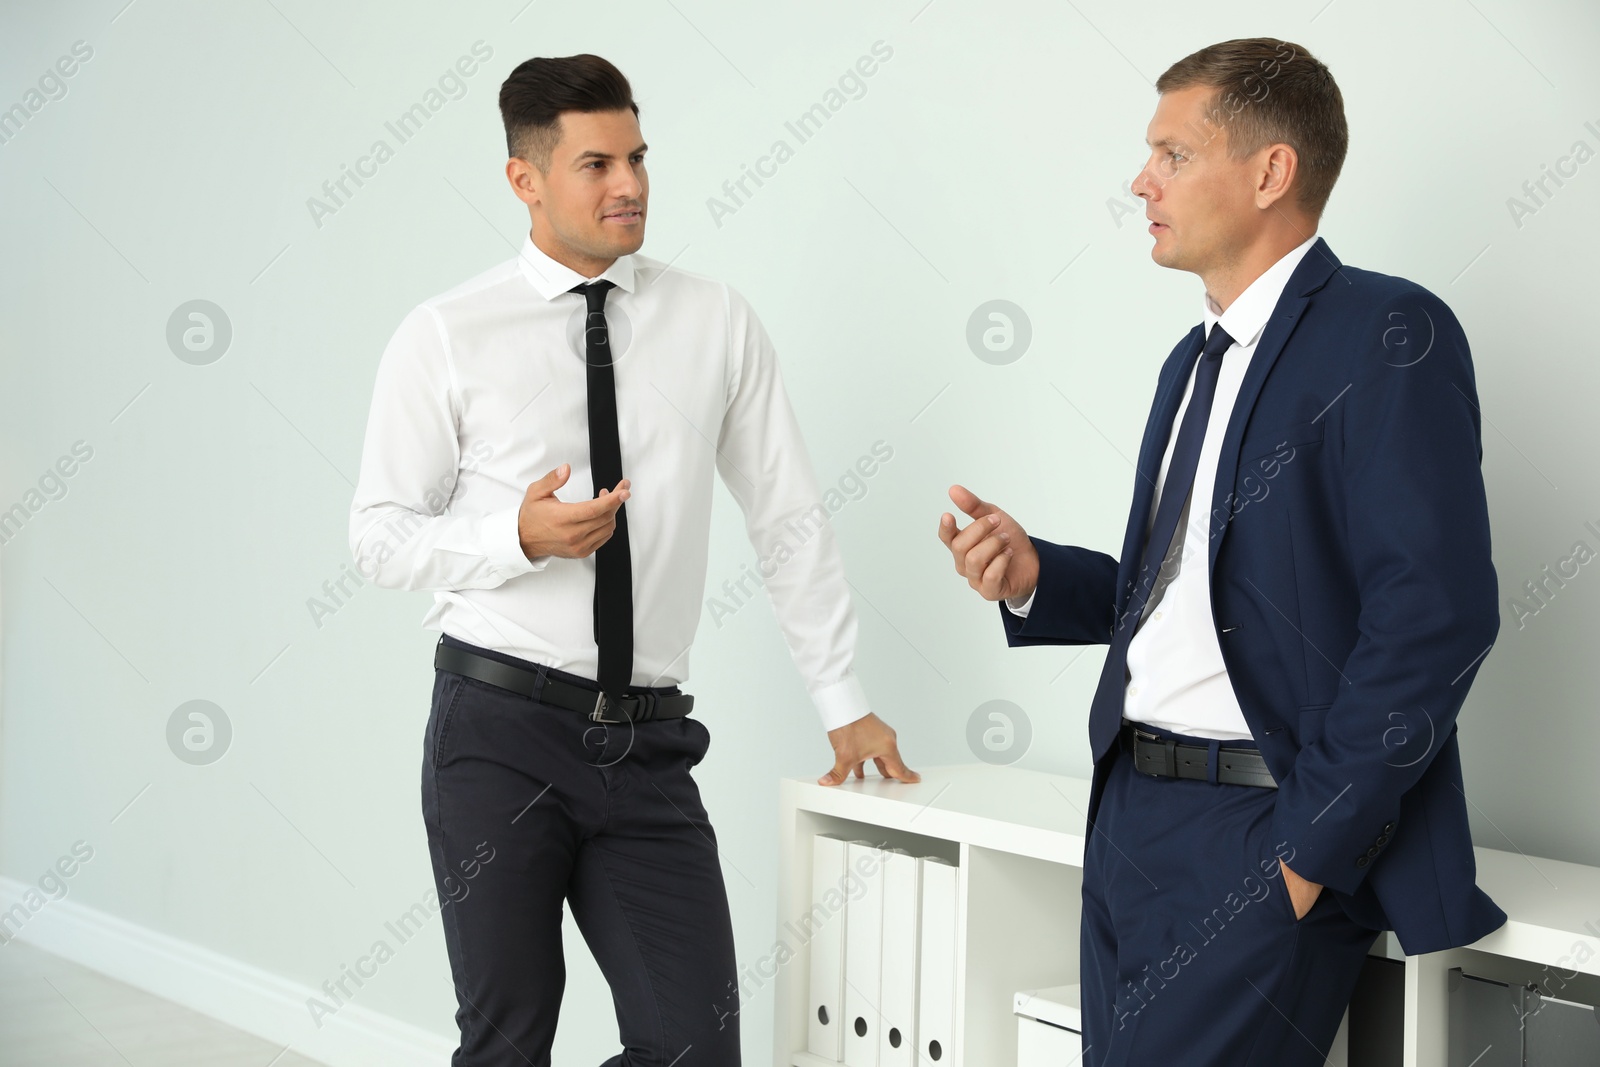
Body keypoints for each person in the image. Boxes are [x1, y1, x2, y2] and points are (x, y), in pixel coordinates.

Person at [938, 37, 1505, 1066]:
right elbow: (1200, 596)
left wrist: (1307, 851)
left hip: (1256, 831)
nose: (1138, 180)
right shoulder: (1189, 361)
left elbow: (1437, 612)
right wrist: (1036, 578)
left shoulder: (1387, 332)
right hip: (1129, 814)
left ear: (1269, 171)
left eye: (1171, 154)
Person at [348, 53, 917, 1067]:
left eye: (639, 157)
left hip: (647, 746)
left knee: (695, 1046)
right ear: (525, 179)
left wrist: (842, 696)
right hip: (497, 733)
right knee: (508, 1039)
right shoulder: (445, 334)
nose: (631, 185)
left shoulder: (715, 321)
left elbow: (785, 514)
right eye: (597, 163)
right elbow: (377, 535)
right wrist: (512, 536)